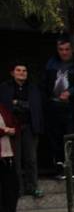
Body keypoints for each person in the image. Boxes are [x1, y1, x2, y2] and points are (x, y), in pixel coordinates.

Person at [0, 62, 44, 197]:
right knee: (16, 161)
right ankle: (17, 189)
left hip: (30, 127)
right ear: (12, 73)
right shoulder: (4, 88)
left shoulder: (33, 88)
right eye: (18, 70)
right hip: (13, 128)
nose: (22, 73)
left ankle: (33, 187)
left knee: (31, 159)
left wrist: (17, 103)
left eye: (24, 70)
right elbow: (6, 108)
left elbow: (35, 107)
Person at [43, 36, 74, 178]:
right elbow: (44, 83)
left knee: (71, 137)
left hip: (70, 107)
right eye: (61, 49)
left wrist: (70, 92)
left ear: (72, 49)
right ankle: (59, 169)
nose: (64, 52)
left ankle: (73, 169)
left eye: (67, 49)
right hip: (53, 105)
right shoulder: (51, 64)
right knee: (55, 139)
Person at [0, 103, 22, 212]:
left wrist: (13, 130)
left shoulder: (2, 108)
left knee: (12, 186)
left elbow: (15, 123)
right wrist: (4, 131)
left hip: (8, 153)